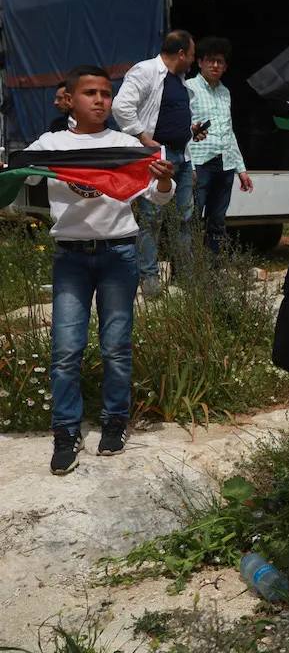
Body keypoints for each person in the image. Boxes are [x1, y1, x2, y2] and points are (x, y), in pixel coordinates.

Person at [25, 66, 176, 474]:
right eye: (89, 93)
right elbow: (20, 173)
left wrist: (164, 182)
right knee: (65, 350)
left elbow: (159, 196)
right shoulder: (51, 145)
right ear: (68, 100)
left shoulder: (125, 145)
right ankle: (65, 431)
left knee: (116, 346)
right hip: (70, 258)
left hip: (118, 255)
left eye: (106, 94)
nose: (99, 100)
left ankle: (115, 422)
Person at [111, 30, 204, 298]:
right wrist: (142, 137)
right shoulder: (146, 71)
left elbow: (171, 116)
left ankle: (185, 276)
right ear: (181, 54)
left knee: (185, 218)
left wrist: (190, 132)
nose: (193, 60)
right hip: (157, 157)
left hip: (182, 156)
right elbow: (121, 106)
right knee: (152, 219)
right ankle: (150, 279)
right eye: (192, 55)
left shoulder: (179, 81)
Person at [185, 37, 253, 255]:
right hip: (200, 163)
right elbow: (181, 128)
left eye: (220, 62)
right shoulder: (189, 88)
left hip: (225, 165)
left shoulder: (225, 92)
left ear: (225, 67)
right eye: (210, 60)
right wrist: (189, 165)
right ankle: (188, 270)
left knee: (217, 221)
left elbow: (229, 132)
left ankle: (212, 268)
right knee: (191, 220)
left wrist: (241, 169)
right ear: (200, 62)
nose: (215, 65)